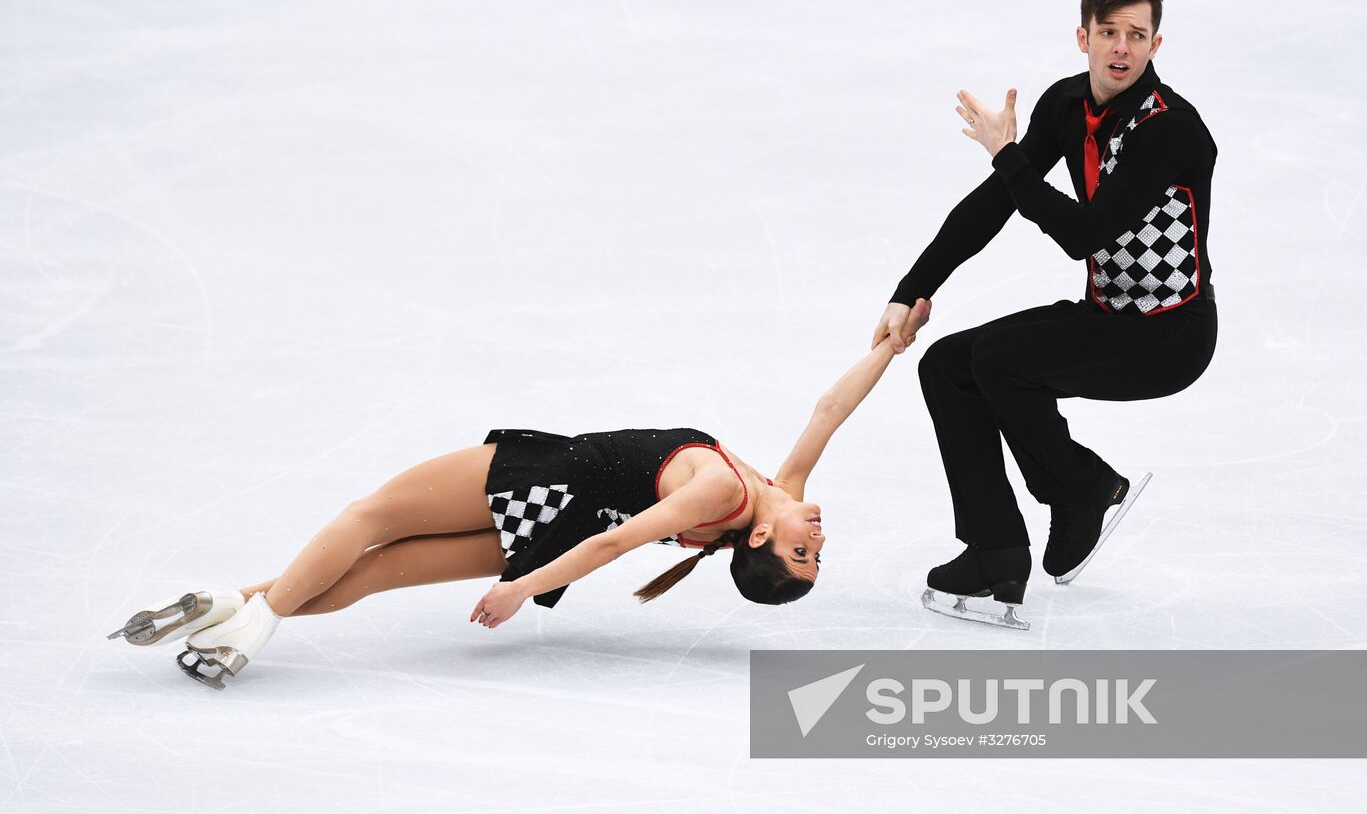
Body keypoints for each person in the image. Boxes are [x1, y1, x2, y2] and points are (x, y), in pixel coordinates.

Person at [108, 300, 931, 688]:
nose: (817, 537)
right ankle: (233, 604)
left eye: (802, 552)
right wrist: (890, 347)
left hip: (546, 483)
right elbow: (830, 410)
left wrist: (519, 589)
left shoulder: (721, 490)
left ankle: (249, 628)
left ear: (757, 540)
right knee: (377, 570)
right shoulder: (772, 492)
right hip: (552, 526)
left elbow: (614, 543)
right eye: (817, 552)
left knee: (369, 518)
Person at [870, 0, 1218, 630]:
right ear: (1084, 38)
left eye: (1136, 34)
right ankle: (995, 548)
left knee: (1001, 362)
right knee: (948, 365)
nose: (1121, 48)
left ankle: (1081, 487)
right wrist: (913, 288)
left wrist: (1006, 155)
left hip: (1169, 334)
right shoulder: (1066, 104)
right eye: (1108, 32)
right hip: (1107, 316)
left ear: (1156, 43)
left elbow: (1084, 233)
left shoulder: (1171, 130)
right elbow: (994, 204)